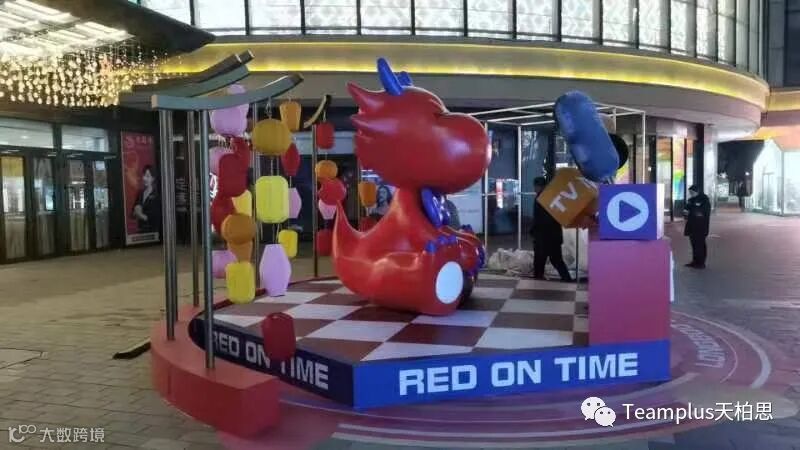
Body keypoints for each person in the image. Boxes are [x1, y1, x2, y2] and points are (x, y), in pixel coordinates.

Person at [530, 177, 573, 282]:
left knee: (541, 258)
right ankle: (566, 277)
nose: (535, 189)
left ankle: (539, 277)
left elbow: (540, 218)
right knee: (555, 258)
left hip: (544, 235)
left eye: (536, 186)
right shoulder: (552, 196)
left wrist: (534, 230)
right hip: (554, 234)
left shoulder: (541, 198)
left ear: (539, 186)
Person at [683, 185, 711, 269]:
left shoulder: (704, 200)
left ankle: (701, 263)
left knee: (700, 244)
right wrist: (686, 213)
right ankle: (695, 261)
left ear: (697, 191)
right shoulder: (691, 200)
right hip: (691, 226)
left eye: (692, 192)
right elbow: (686, 210)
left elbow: (703, 213)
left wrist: (692, 212)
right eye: (690, 192)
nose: (691, 194)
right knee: (694, 244)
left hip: (700, 226)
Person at [132, 165, 160, 233]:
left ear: (153, 179)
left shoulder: (156, 194)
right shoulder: (140, 193)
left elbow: (154, 217)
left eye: (147, 176)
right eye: (144, 175)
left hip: (152, 232)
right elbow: (133, 214)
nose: (144, 178)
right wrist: (136, 211)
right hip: (141, 230)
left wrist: (140, 214)